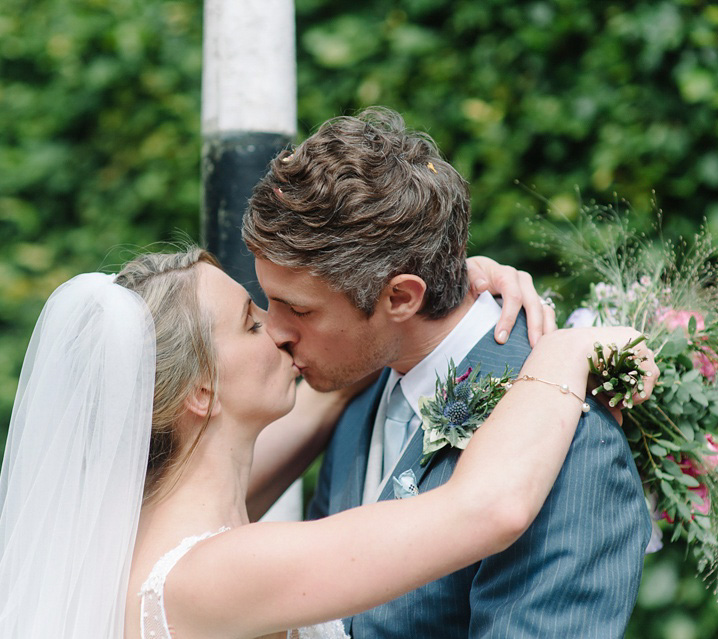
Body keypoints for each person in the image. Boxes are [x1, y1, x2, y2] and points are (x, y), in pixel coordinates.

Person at [0, 246, 658, 639]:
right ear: (201, 393)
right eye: (249, 321)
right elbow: (486, 508)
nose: (279, 331)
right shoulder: (213, 573)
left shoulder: (141, 523)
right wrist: (567, 350)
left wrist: (433, 296)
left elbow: (339, 375)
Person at [242, 107, 654, 638]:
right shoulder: (357, 392)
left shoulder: (570, 440)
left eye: (299, 310)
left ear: (401, 297)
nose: (275, 330)